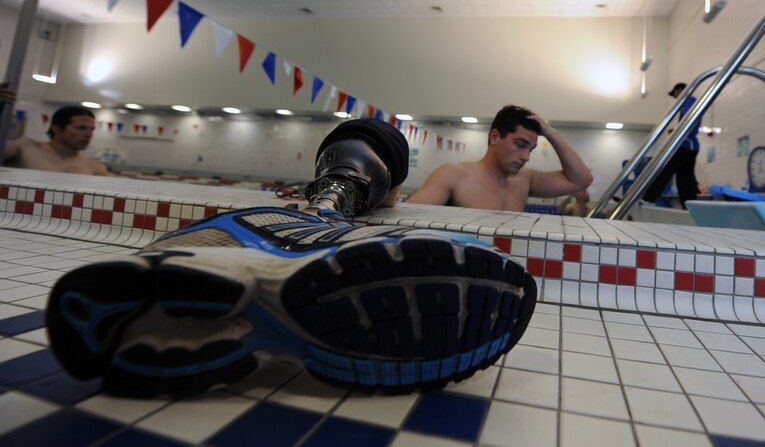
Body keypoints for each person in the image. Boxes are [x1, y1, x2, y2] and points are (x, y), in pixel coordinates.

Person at [45, 118, 538, 398]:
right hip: (291, 227)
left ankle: (182, 268)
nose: (526, 154)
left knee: (268, 225)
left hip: (259, 226)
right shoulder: (442, 180)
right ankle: (228, 265)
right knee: (303, 223)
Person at [406, 105, 593, 211]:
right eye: (520, 145)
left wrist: (550, 133)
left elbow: (582, 180)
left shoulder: (525, 180)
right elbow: (406, 220)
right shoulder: (454, 175)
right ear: (495, 137)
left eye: (531, 149)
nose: (526, 157)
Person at [2, 105, 110, 176]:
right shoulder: (25, 148)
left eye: (92, 129)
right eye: (81, 128)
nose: (89, 135)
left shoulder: (95, 166)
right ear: (57, 128)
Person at [641, 82, 701, 209]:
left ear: (680, 90)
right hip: (690, 146)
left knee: (665, 169)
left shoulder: (690, 100)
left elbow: (688, 120)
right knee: (685, 177)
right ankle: (689, 205)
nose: (675, 98)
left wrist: (677, 131)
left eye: (675, 94)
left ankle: (649, 198)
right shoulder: (691, 102)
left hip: (686, 144)